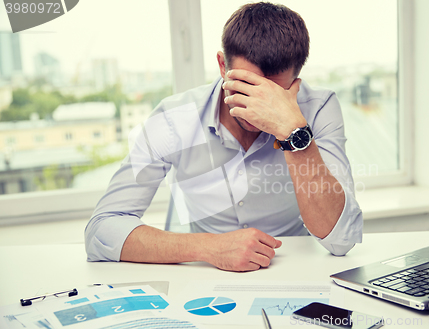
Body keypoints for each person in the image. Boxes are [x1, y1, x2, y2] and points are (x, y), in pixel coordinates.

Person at [85, 1, 362, 272]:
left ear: (296, 81)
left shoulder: (318, 107)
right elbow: (102, 230)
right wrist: (208, 248)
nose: (258, 107)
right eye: (246, 86)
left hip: (294, 270)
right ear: (222, 65)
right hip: (205, 277)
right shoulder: (174, 118)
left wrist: (293, 132)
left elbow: (342, 239)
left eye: (273, 93)